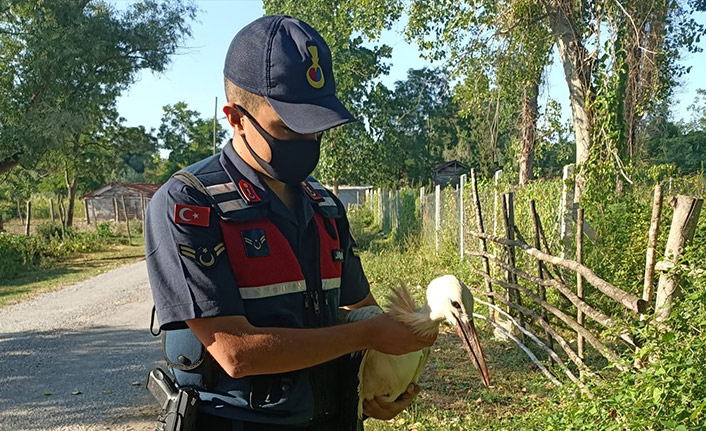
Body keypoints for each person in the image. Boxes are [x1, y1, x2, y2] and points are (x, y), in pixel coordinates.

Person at [144, 14, 435, 431]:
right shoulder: (190, 204)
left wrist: (380, 383)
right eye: (288, 128)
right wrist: (368, 336)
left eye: (317, 129)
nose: (307, 143)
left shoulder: (325, 208)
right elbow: (234, 352)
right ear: (236, 118)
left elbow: (361, 309)